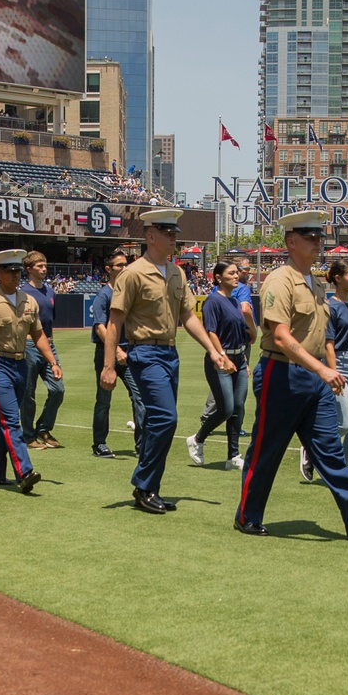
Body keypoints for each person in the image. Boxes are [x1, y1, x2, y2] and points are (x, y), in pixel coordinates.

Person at [233, 210, 348, 540]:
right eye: (310, 237)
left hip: (313, 377)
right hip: (283, 373)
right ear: (291, 242)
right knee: (267, 448)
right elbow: (280, 336)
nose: (318, 242)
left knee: (329, 449)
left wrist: (323, 369)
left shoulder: (316, 283)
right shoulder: (280, 281)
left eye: (319, 236)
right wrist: (323, 369)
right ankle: (247, 515)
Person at [98, 209, 234, 513]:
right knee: (165, 419)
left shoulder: (177, 273)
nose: (174, 238)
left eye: (175, 233)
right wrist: (109, 367)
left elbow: (188, 315)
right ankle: (144, 485)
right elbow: (114, 323)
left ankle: (149, 488)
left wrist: (213, 350)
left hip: (169, 353)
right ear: (150, 236)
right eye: (168, 233)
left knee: (163, 422)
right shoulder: (132, 274)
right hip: (144, 353)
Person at [0, 249, 53, 493]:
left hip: (21, 364)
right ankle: (24, 471)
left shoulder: (29, 300)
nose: (15, 275)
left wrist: (53, 362)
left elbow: (38, 335)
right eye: (10, 271)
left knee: (2, 421)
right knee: (11, 420)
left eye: (17, 271)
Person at [302, 257, 348, 481]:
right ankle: (312, 450)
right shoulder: (330, 307)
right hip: (337, 364)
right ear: (338, 278)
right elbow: (329, 343)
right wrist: (333, 372)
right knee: (344, 424)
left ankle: (347, 474)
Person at [187, 258, 250, 469]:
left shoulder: (233, 301)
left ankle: (233, 455)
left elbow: (240, 335)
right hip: (220, 361)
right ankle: (197, 439)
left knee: (239, 408)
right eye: (231, 273)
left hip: (239, 359)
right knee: (225, 408)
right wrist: (222, 356)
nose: (236, 276)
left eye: (237, 273)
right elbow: (211, 332)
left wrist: (245, 361)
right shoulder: (213, 301)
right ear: (218, 277)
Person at [90, 249, 145, 457]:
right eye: (119, 265)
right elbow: (100, 328)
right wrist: (118, 351)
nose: (124, 268)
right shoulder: (104, 295)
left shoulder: (130, 292)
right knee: (104, 400)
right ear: (108, 269)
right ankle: (99, 444)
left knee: (140, 398)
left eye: (126, 264)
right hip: (108, 354)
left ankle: (142, 445)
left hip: (130, 353)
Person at [20, 249, 66, 448]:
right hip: (29, 346)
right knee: (28, 394)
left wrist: (51, 344)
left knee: (58, 389)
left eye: (45, 265)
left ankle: (43, 427)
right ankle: (29, 435)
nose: (44, 269)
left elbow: (50, 322)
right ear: (29, 269)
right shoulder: (22, 293)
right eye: (39, 266)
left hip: (49, 345)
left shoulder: (50, 291)